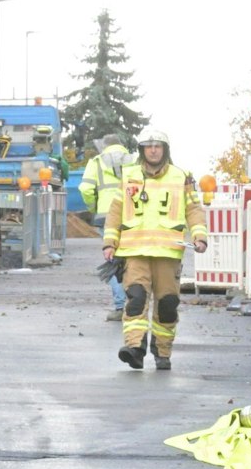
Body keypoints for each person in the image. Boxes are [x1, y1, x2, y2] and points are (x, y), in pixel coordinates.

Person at [103, 126, 207, 371]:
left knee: (167, 304)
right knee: (136, 300)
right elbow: (115, 211)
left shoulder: (181, 176)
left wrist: (200, 236)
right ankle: (134, 348)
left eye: (157, 146)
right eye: (148, 146)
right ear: (141, 150)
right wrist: (109, 242)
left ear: (165, 150)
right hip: (134, 251)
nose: (152, 150)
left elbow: (193, 209)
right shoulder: (129, 176)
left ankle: (162, 352)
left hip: (168, 252)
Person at [77, 134, 136, 321]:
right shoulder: (134, 161)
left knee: (113, 261)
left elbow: (85, 189)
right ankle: (135, 304)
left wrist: (94, 208)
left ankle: (120, 307)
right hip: (132, 216)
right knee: (133, 261)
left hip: (106, 216)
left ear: (105, 146)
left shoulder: (96, 161)